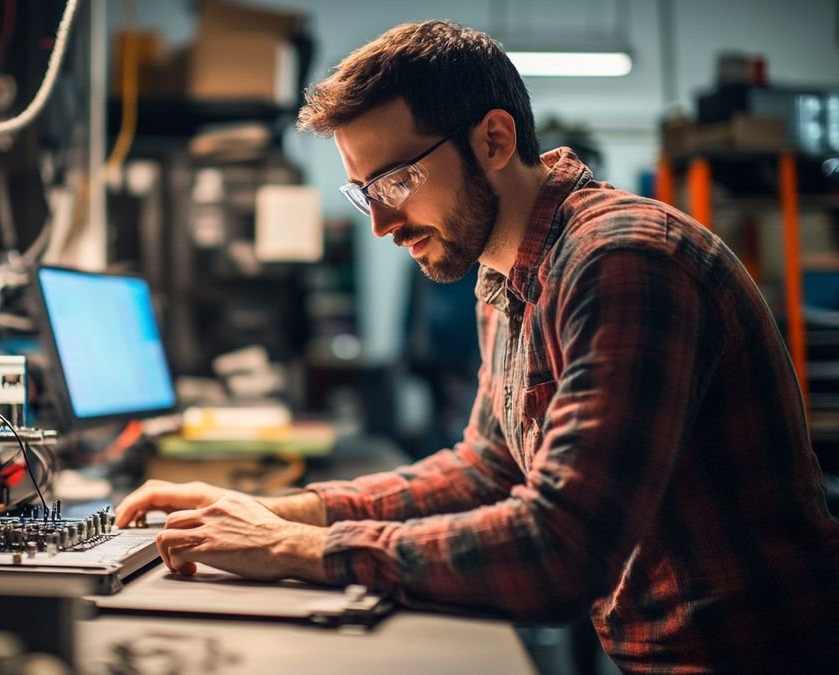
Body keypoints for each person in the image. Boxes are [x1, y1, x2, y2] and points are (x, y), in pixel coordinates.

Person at [115, 19, 839, 673]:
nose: (382, 223)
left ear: (494, 140)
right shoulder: (506, 271)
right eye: (366, 193)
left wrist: (295, 551)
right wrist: (280, 511)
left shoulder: (622, 261)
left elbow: (561, 548)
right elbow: (486, 469)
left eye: (398, 179)